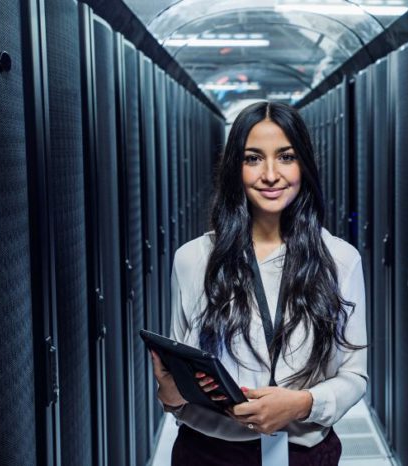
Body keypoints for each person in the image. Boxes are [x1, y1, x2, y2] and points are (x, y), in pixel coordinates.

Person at [150, 101, 368, 465]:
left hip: (304, 455)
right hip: (208, 454)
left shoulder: (340, 259)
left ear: (304, 165)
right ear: (235, 168)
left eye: (285, 157)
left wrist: (302, 403)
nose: (270, 174)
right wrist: (170, 393)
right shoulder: (192, 259)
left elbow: (354, 375)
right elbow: (179, 381)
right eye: (253, 158)